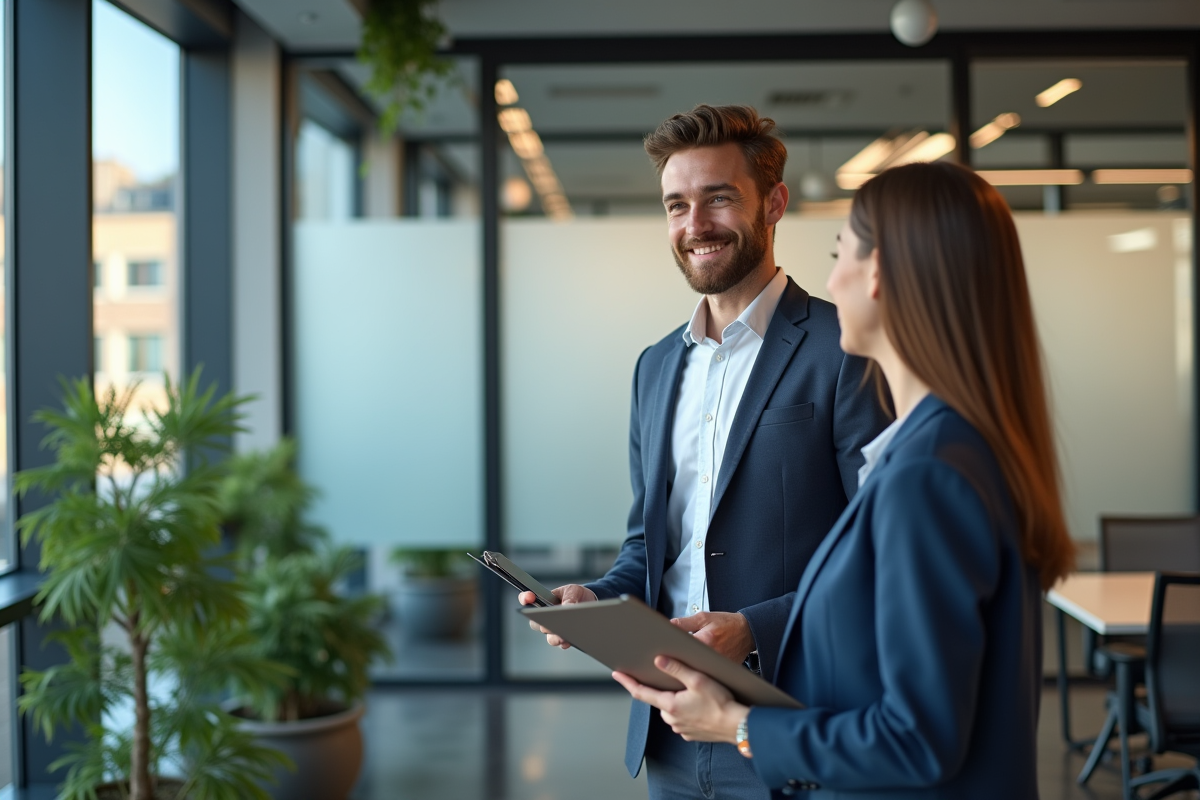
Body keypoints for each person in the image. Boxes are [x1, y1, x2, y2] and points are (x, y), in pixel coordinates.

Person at [612, 161, 1077, 799]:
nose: (831, 278)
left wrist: (741, 725)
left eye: (842, 252)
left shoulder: (931, 474)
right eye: (674, 204)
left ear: (879, 272)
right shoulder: (944, 451)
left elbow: (918, 737)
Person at [519, 104, 890, 799]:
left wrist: (753, 629)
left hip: (790, 718)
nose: (695, 226)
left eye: (718, 198)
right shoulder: (655, 367)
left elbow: (877, 546)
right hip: (670, 727)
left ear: (773, 203)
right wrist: (593, 599)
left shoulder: (843, 347)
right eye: (676, 205)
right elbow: (650, 546)